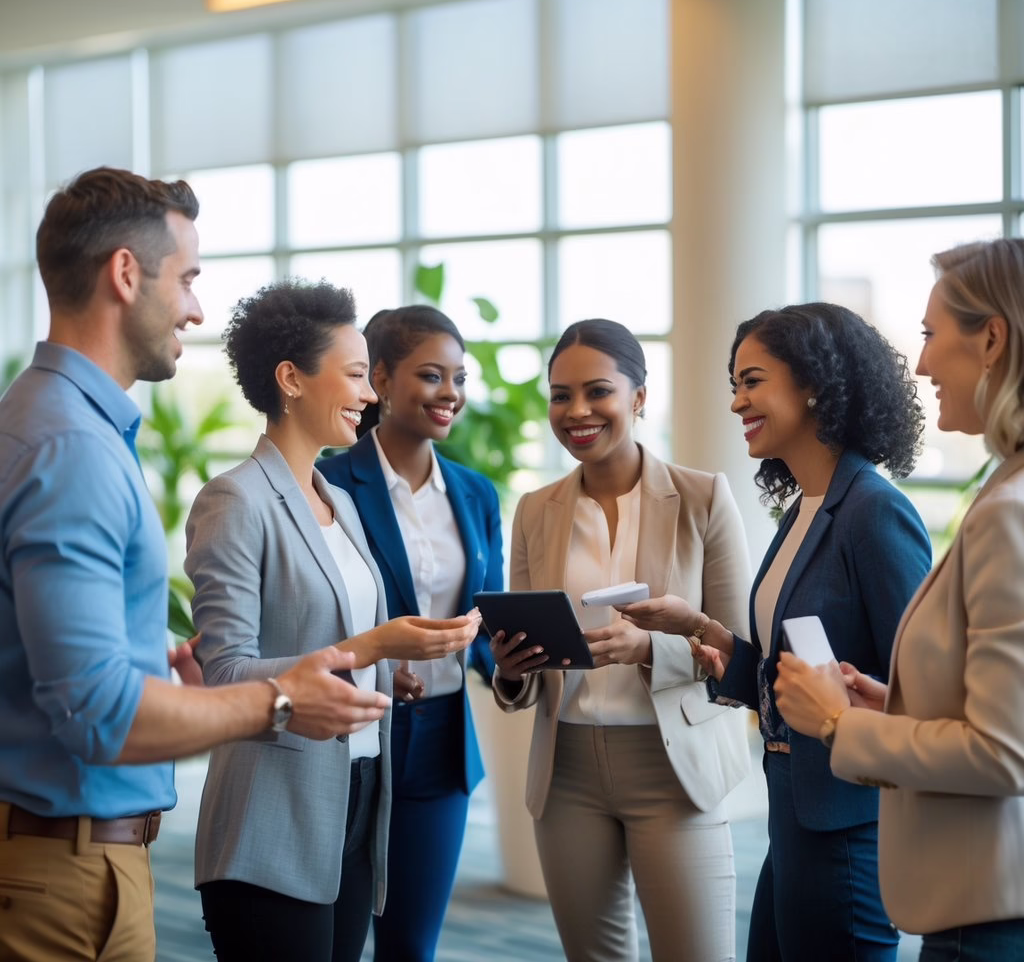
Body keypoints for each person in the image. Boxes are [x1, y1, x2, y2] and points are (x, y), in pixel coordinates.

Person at [0, 168, 390, 962]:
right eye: (188, 279)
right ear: (124, 273)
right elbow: (97, 711)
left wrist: (171, 687)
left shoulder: (47, 420)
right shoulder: (72, 448)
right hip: (68, 878)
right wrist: (277, 702)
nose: (196, 308)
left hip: (69, 854)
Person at [184, 280, 481, 962]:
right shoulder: (234, 501)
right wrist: (372, 644)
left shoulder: (337, 501)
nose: (369, 395)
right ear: (291, 379)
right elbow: (226, 673)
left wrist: (383, 668)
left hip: (357, 796)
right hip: (274, 812)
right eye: (354, 375)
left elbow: (333, 642)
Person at [625, 303, 931, 961]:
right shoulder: (803, 510)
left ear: (815, 384)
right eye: (735, 383)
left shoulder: (875, 515)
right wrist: (702, 629)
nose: (737, 402)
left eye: (753, 380)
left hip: (849, 826)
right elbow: (781, 672)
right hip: (793, 816)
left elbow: (923, 689)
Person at [775, 239, 1024, 961]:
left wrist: (834, 724)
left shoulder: (1007, 511)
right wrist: (894, 706)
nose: (919, 365)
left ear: (992, 337)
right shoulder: (1002, 491)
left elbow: (1003, 754)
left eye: (929, 334)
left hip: (985, 908)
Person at [490, 318, 752, 962]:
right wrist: (513, 667)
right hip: (568, 770)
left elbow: (740, 654)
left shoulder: (703, 498)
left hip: (672, 767)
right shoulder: (535, 508)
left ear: (638, 397)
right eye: (560, 395)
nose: (576, 411)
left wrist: (649, 649)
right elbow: (521, 672)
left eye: (597, 391)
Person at [317, 304, 503, 962]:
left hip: (442, 743)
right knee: (332, 942)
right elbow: (316, 614)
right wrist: (370, 664)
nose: (450, 392)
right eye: (432, 375)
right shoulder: (330, 484)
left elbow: (486, 621)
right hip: (354, 736)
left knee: (410, 946)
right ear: (384, 379)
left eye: (459, 377)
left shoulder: (476, 494)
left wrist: (510, 660)